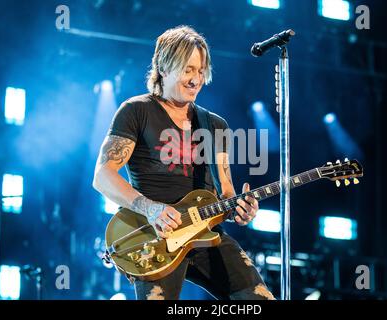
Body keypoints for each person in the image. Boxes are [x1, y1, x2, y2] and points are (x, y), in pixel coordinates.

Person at [93, 25, 275, 300]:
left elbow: (225, 192)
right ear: (164, 68)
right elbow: (103, 176)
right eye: (188, 69)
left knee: (258, 298)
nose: (196, 79)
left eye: (201, 71)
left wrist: (242, 209)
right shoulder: (136, 111)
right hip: (154, 235)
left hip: (206, 234)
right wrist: (151, 209)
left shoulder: (216, 126)